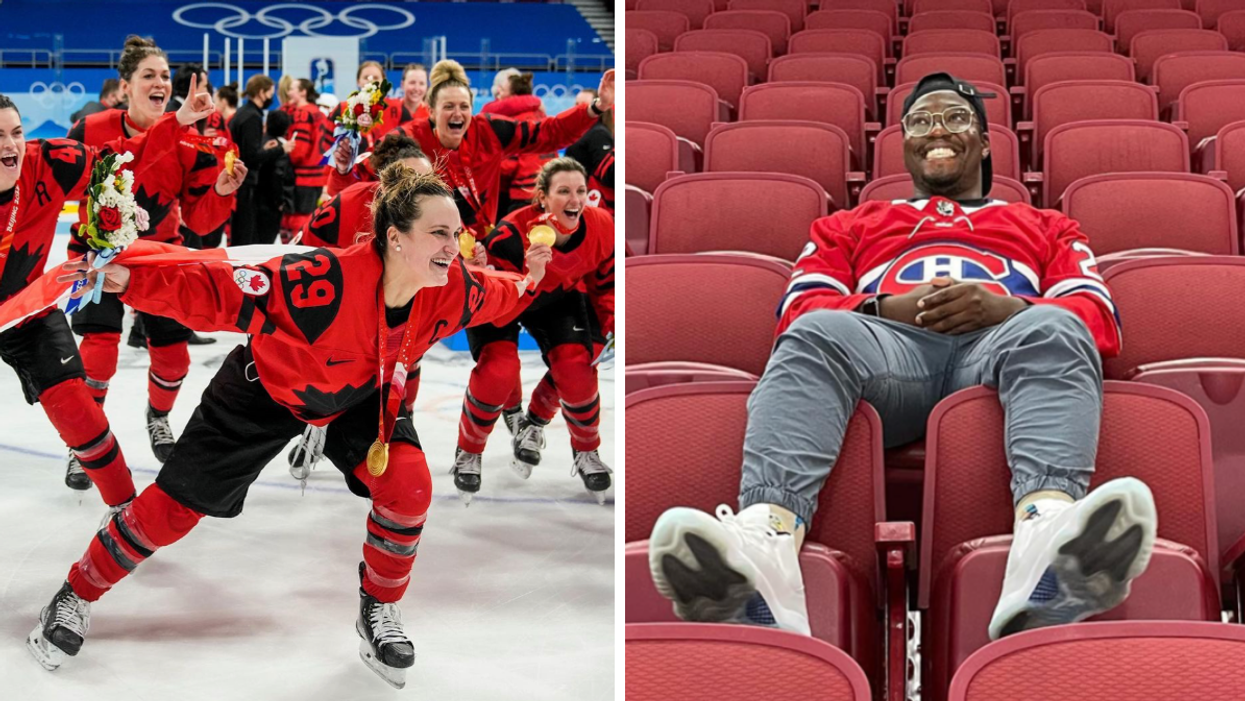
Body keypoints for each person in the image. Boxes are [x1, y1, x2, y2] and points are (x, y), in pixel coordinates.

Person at [646, 73, 1157, 640]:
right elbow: (798, 308)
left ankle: (1046, 539)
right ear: (905, 144)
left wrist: (1004, 307)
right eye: (920, 122)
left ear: (986, 142)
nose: (936, 130)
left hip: (1002, 348)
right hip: (890, 357)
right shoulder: (848, 225)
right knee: (816, 333)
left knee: (1055, 325)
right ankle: (766, 547)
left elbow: (1097, 317)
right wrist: (887, 307)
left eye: (956, 118)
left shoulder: (1047, 225)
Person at [29, 166, 551, 690]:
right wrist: (133, 279)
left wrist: (530, 277)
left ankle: (380, 610)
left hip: (358, 397)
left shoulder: (454, 288)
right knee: (173, 510)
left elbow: (502, 292)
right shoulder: (322, 283)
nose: (452, 246)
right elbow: (215, 292)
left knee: (409, 487)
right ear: (395, 237)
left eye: (454, 233)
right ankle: (76, 592)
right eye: (439, 233)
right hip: (265, 390)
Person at [0, 77, 220, 501]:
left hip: (26, 310)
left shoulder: (49, 160)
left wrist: (179, 120)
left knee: (79, 412)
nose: (11, 146)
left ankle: (125, 510)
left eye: (17, 132)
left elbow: (121, 160)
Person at [66, 37, 244, 466]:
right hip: (99, 252)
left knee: (174, 357)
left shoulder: (188, 143)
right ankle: (85, 442)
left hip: (160, 255)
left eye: (165, 76)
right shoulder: (91, 130)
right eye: (149, 75)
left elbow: (200, 223)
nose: (160, 83)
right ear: (125, 86)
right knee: (98, 352)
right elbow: (78, 181)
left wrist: (220, 193)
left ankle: (158, 416)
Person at [454, 158, 614, 504]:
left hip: (559, 298)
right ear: (541, 198)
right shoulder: (510, 236)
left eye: (581, 191)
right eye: (563, 192)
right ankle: (469, 450)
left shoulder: (602, 226)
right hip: (506, 300)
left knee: (578, 366)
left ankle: (576, 445)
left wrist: (611, 328)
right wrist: (530, 276)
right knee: (499, 369)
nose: (575, 200)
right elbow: (492, 305)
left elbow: (607, 285)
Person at [393, 61, 613, 237]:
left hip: (481, 241)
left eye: (464, 106)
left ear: (473, 108)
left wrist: (597, 107)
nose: (457, 114)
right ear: (431, 111)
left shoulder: (489, 130)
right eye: (448, 107)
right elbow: (371, 166)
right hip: (430, 242)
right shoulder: (411, 137)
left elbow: (549, 132)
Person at [229, 75, 295, 247]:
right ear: (261, 92)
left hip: (238, 182)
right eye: (270, 93)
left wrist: (265, 150)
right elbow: (250, 158)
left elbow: (246, 151)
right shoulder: (252, 117)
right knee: (245, 239)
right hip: (245, 184)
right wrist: (280, 150)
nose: (271, 98)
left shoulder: (242, 113)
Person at [482, 72, 555, 215]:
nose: (498, 95)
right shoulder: (542, 117)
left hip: (523, 194)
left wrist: (485, 166)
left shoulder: (515, 123)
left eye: (502, 91)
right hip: (546, 190)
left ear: (513, 97)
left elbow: (509, 166)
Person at [280, 78, 329, 236]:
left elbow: (298, 151)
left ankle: (293, 258)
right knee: (310, 220)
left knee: (295, 222)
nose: (288, 93)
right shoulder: (319, 113)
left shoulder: (302, 113)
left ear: (303, 92)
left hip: (302, 177)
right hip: (318, 176)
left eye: (292, 89)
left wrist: (286, 154)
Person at [565, 97, 613, 214]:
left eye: (582, 104)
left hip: (589, 194)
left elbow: (605, 173)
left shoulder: (598, 133)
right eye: (576, 103)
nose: (577, 107)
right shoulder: (579, 130)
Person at [255, 108, 294, 246]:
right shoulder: (279, 148)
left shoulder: (260, 142)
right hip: (269, 204)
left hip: (254, 199)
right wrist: (280, 201)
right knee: (265, 244)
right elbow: (277, 175)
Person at [366, 63, 430, 146]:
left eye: (421, 83)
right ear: (402, 84)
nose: (416, 88)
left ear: (427, 87)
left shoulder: (432, 115)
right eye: (412, 82)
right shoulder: (386, 108)